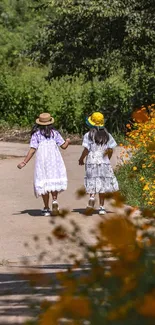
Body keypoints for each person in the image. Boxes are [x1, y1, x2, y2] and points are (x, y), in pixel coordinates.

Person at [17, 112, 70, 216]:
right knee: (53, 179)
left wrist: (24, 162)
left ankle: (46, 208)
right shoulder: (55, 133)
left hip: (42, 161)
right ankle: (54, 201)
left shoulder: (36, 134)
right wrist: (68, 141)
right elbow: (63, 146)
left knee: (44, 181)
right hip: (54, 160)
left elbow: (32, 149)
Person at [79, 112, 119, 215]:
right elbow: (110, 149)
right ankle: (101, 207)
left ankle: (92, 197)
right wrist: (107, 159)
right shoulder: (107, 135)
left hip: (91, 161)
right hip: (103, 160)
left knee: (92, 179)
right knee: (102, 182)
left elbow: (86, 150)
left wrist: (81, 159)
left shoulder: (88, 135)